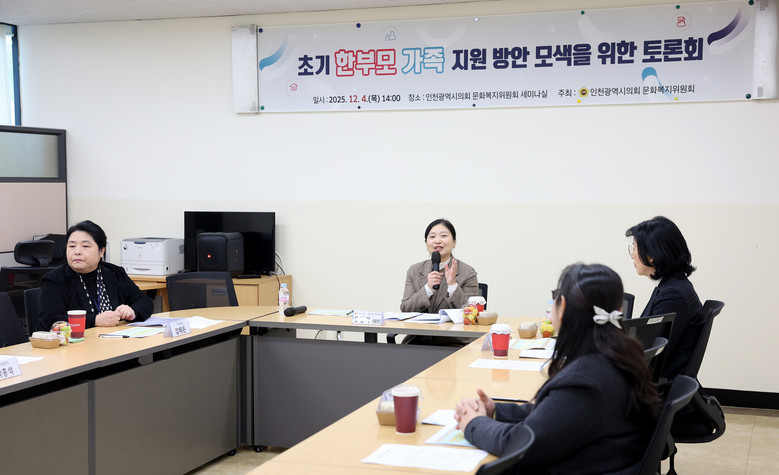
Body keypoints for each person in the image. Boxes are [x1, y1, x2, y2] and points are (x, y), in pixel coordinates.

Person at [454, 263, 660, 474]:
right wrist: (496, 410)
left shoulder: (585, 381)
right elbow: (555, 415)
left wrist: (474, 424)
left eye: (555, 298)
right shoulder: (617, 356)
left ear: (563, 309)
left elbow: (524, 445)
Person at [37, 220, 153, 331]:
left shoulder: (115, 273)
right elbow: (50, 320)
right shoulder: (54, 279)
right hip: (72, 342)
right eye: (72, 246)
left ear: (101, 251)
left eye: (85, 246)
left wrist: (132, 313)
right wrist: (94, 321)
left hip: (114, 339)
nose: (77, 252)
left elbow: (144, 301)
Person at [626, 216, 702, 379]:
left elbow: (652, 356)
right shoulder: (673, 285)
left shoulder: (673, 295)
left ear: (652, 254)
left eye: (635, 248)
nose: (632, 255)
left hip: (651, 384)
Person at [399, 218, 479, 346]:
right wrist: (427, 289)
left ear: (454, 242)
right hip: (418, 341)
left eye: (443, 236)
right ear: (426, 243)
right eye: (432, 237)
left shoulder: (467, 272)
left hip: (454, 342)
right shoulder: (414, 271)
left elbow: (471, 314)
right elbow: (406, 309)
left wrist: (453, 286)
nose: (437, 240)